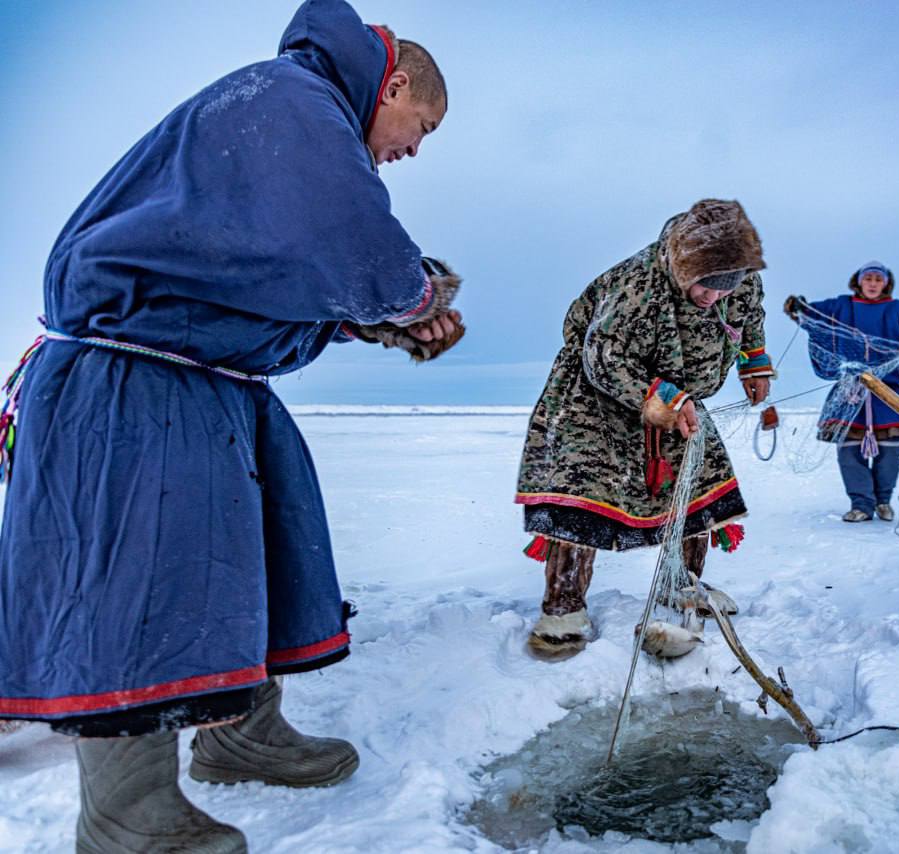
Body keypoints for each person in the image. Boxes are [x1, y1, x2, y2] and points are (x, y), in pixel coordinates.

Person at [0, 2, 460, 850]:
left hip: (200, 378)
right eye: (419, 125)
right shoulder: (293, 98)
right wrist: (414, 297)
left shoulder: (288, 124)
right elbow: (347, 232)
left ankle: (238, 733)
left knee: (241, 563)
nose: (412, 150)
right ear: (392, 84)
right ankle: (126, 815)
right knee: (138, 585)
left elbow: (268, 270)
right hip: (128, 387)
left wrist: (372, 321)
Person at [515, 199, 775, 659]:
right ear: (683, 267)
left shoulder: (740, 281)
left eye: (725, 287)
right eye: (705, 287)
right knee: (585, 495)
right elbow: (604, 358)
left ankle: (681, 586)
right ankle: (563, 611)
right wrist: (664, 400)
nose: (714, 297)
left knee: (697, 485)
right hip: (594, 394)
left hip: (679, 396)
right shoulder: (637, 284)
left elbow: (749, 320)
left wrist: (753, 365)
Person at [784, 261, 899, 523]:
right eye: (868, 278)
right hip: (849, 391)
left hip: (888, 394)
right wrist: (799, 307)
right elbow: (813, 315)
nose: (873, 283)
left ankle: (882, 501)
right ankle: (861, 505)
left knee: (890, 451)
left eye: (878, 279)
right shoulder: (841, 307)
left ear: (886, 284)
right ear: (858, 281)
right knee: (849, 450)